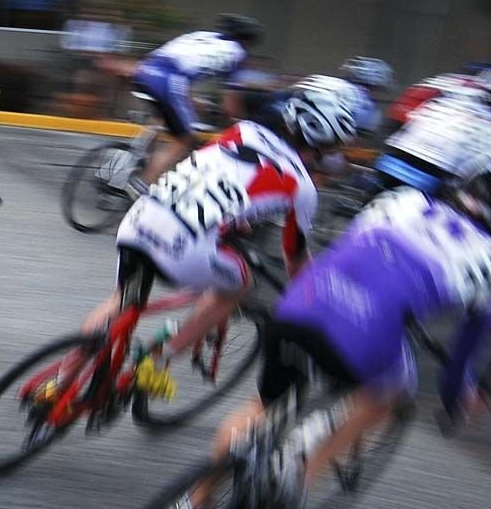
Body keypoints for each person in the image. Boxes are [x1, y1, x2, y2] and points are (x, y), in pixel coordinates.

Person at [185, 120, 491, 509]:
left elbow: (359, 255)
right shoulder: (489, 262)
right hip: (364, 332)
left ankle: (191, 508)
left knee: (261, 407)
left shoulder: (404, 200)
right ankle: (298, 478)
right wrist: (457, 400)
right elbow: (462, 359)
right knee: (388, 395)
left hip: (303, 303)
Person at [81, 77, 362, 399]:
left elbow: (219, 180)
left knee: (122, 302)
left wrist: (235, 220)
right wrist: (312, 298)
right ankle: (156, 361)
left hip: (139, 219)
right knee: (238, 287)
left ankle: (64, 377)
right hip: (183, 248)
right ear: (325, 148)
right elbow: (294, 257)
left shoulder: (242, 131)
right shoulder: (301, 186)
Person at [130, 13, 264, 193]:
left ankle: (130, 157)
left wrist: (193, 102)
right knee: (186, 138)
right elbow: (230, 101)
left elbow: (179, 65)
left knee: (163, 115)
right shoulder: (237, 53)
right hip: (170, 81)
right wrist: (237, 121)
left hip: (145, 69)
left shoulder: (202, 35)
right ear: (246, 41)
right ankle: (142, 185)